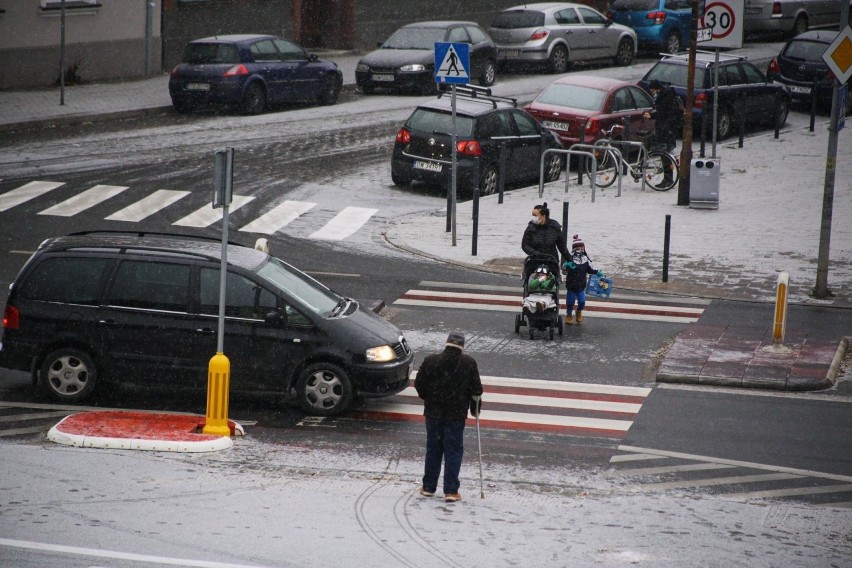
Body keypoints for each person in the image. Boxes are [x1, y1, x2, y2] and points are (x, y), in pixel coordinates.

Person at [414, 332, 483, 503]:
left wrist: (428, 398)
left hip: (433, 413)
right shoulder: (468, 363)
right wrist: (475, 410)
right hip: (456, 415)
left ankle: (429, 487)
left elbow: (419, 384)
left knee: (433, 449)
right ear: (462, 346)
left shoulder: (431, 360)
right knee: (453, 451)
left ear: (446, 344)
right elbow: (477, 391)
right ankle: (451, 491)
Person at [563, 234, 605, 325]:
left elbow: (589, 269)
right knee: (570, 302)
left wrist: (597, 272)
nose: (581, 250)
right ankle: (569, 315)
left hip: (581, 286)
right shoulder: (570, 259)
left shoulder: (585, 260)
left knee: (582, 301)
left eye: (582, 248)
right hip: (571, 285)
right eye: (579, 248)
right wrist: (567, 265)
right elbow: (563, 269)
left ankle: (578, 311)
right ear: (574, 249)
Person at [521, 202, 570, 276]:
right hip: (535, 260)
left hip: (551, 260)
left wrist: (569, 259)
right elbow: (525, 244)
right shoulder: (531, 228)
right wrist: (533, 252)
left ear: (543, 216)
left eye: (536, 216)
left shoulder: (554, 227)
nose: (534, 218)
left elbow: (562, 246)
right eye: (533, 215)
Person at [644, 79, 681, 155]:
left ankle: (667, 165)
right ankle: (667, 164)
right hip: (666, 125)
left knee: (663, 148)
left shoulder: (665, 96)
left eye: (652, 90)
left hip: (665, 126)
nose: (652, 92)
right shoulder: (665, 94)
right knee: (664, 148)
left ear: (656, 88)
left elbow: (663, 112)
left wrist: (651, 116)